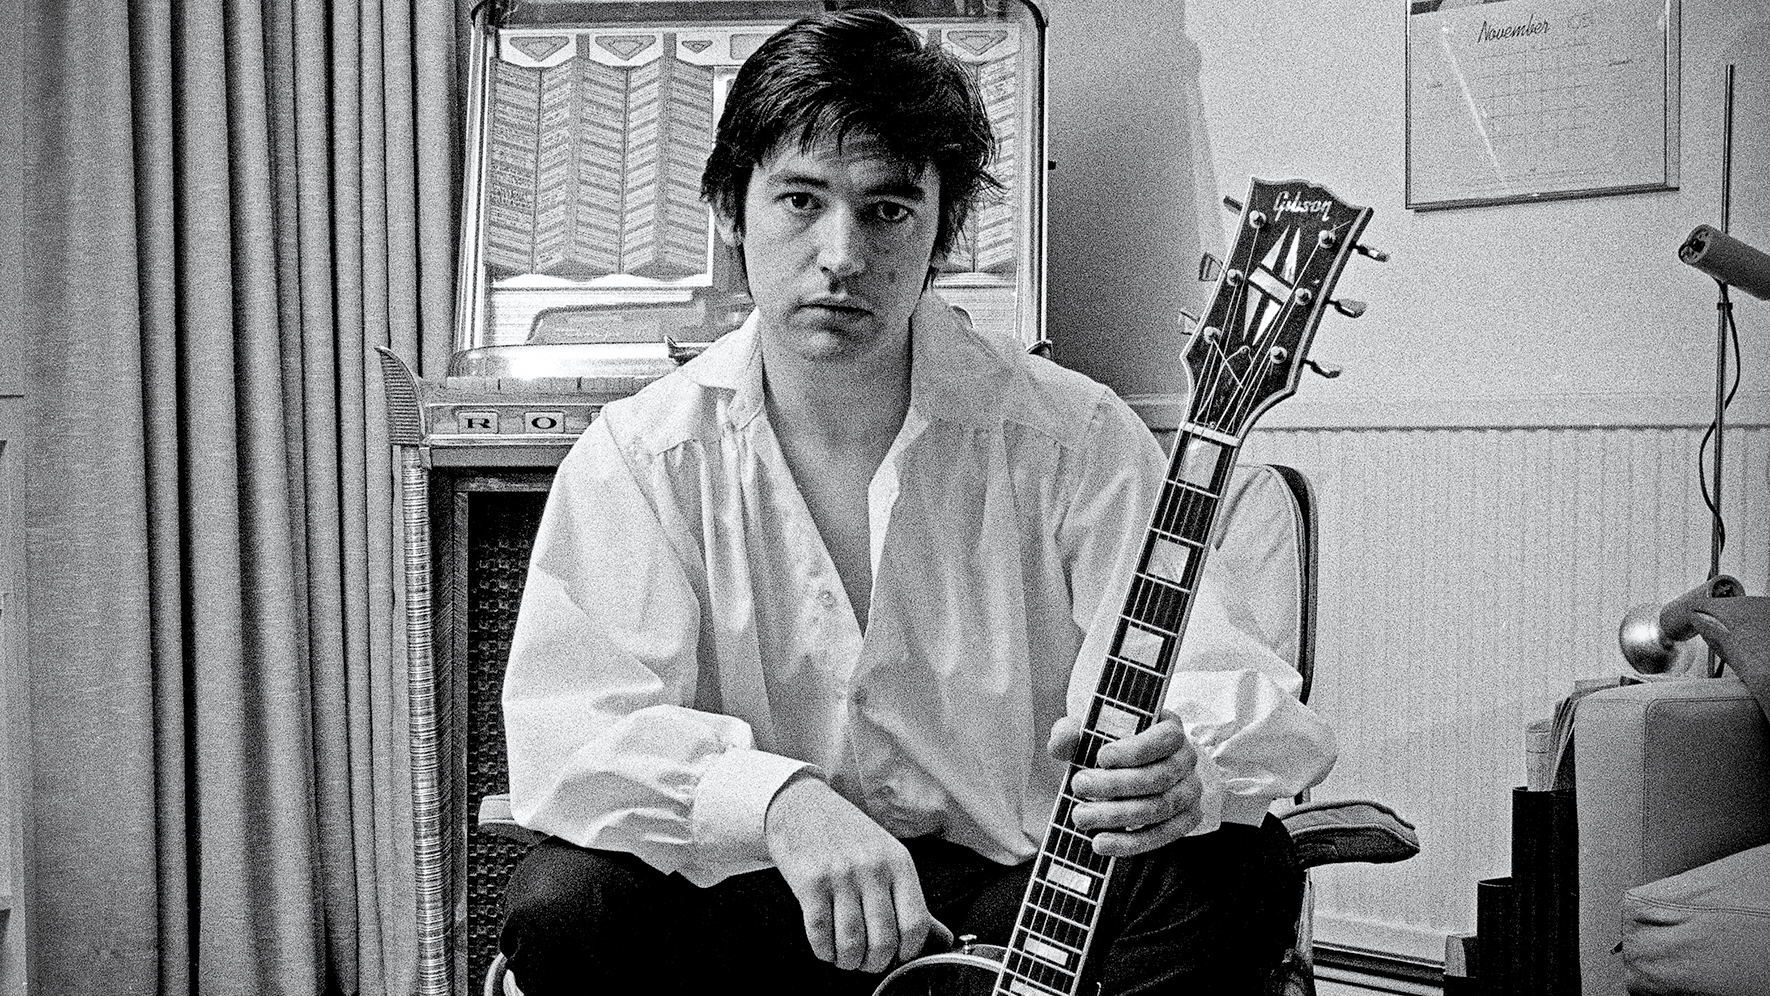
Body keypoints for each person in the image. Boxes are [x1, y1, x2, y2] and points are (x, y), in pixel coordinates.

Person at [497, 9, 1336, 994]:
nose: (842, 255)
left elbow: (1219, 679)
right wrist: (779, 802)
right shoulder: (642, 457)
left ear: (942, 231)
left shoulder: (1073, 437)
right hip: (772, 899)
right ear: (731, 211)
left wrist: (1182, 769)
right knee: (563, 903)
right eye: (801, 200)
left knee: (1237, 869)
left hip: (1013, 902)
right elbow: (574, 731)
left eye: (888, 209)